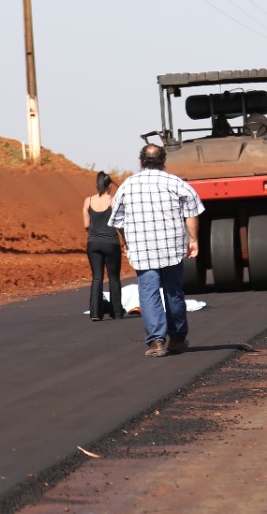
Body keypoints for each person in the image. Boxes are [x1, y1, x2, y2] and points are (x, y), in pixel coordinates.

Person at [108, 143, 204, 358]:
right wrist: (194, 240)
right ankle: (177, 338)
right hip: (171, 247)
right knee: (173, 291)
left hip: (142, 249)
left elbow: (118, 221)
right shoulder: (176, 183)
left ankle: (157, 341)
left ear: (141, 161)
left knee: (149, 293)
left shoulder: (127, 185)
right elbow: (191, 213)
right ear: (163, 161)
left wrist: (126, 243)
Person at [82, 171, 126, 322]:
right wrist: (125, 241)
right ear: (108, 186)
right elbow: (120, 225)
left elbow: (86, 225)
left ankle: (95, 312)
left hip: (93, 243)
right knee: (114, 278)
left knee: (97, 278)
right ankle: (117, 312)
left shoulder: (88, 201)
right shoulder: (112, 201)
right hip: (111, 243)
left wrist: (95, 233)